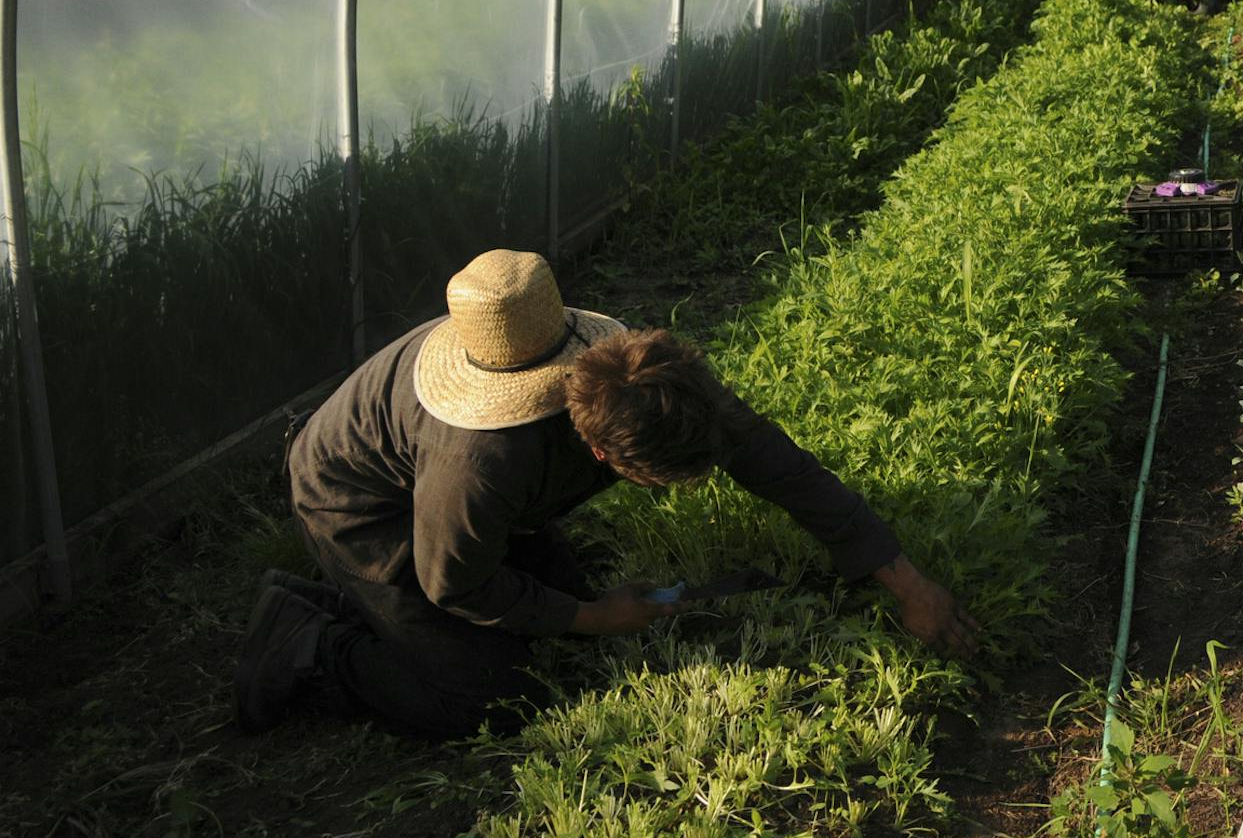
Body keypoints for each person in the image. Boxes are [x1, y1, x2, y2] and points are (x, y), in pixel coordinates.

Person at [233, 248, 979, 737]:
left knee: (541, 609)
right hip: (361, 503)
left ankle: (364, 610)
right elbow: (452, 580)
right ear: (595, 451)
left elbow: (773, 461)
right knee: (486, 698)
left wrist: (904, 579)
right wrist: (592, 618)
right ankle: (310, 636)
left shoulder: (645, 375)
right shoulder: (485, 460)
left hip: (468, 495)